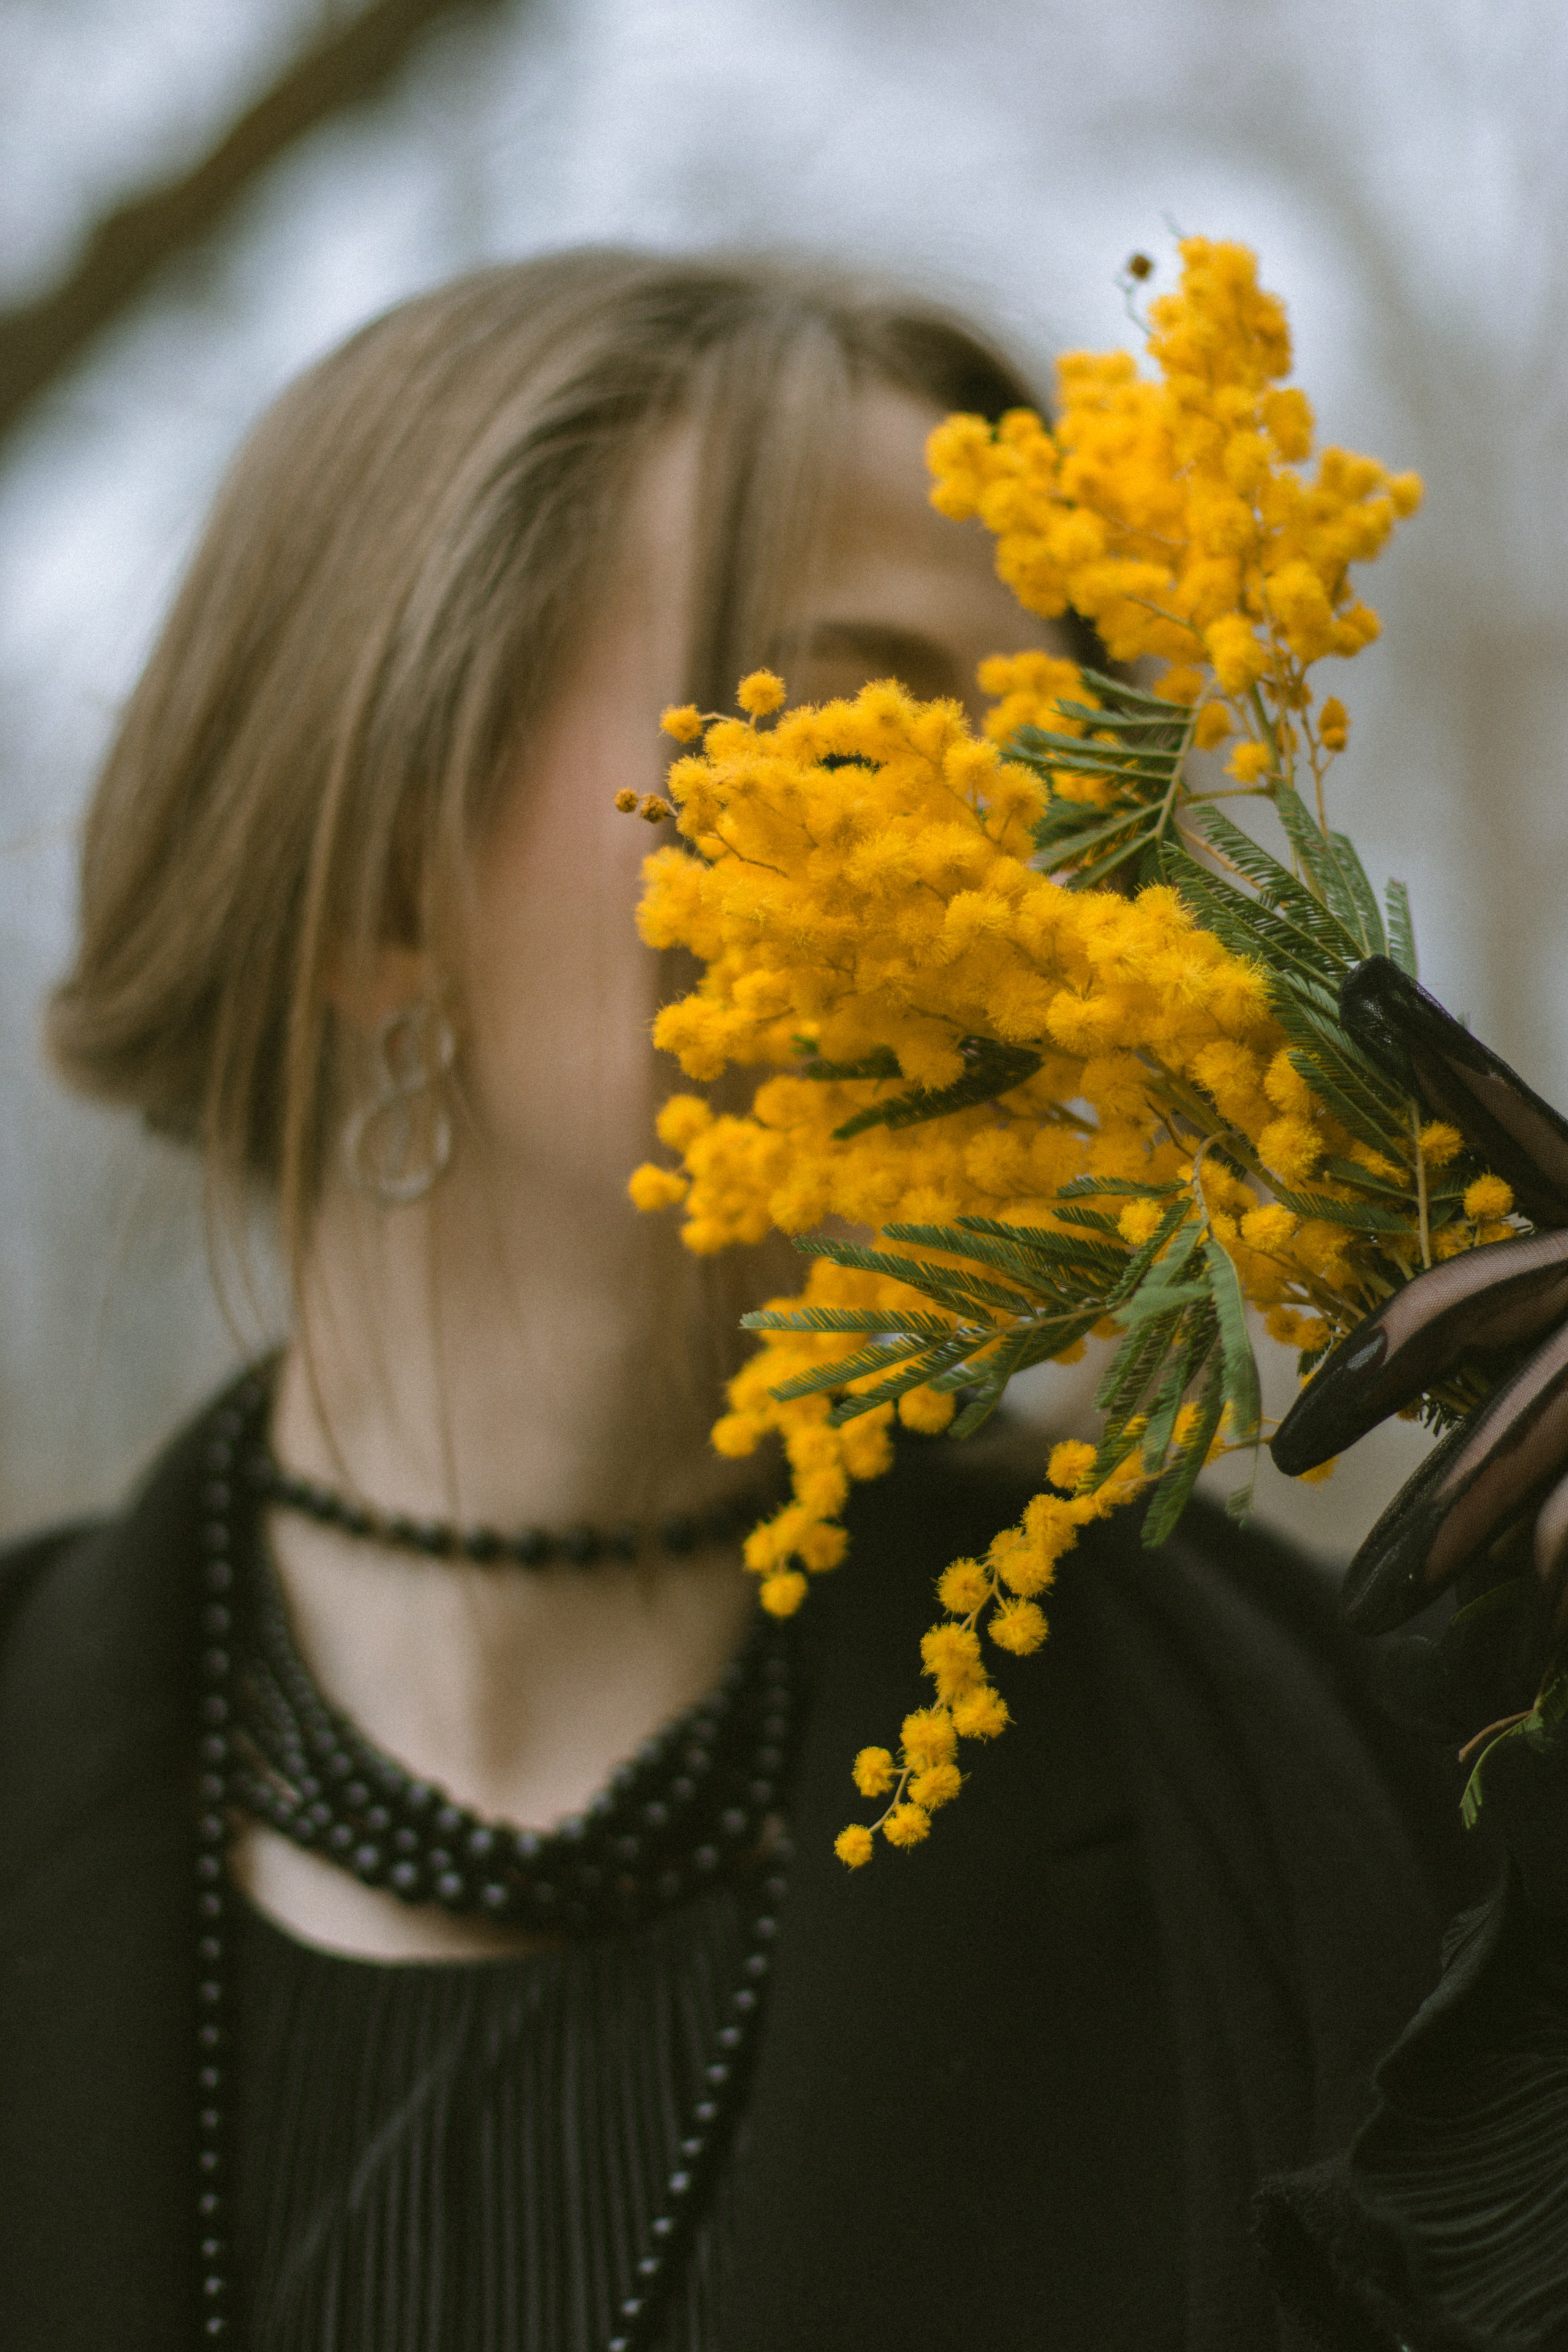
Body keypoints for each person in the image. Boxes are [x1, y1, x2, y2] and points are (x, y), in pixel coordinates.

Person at [0, 247, 1557, 2352]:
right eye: (871, 735)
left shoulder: (1367, 1787)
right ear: (376, 878)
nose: (1028, 890)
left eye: (1074, 781)